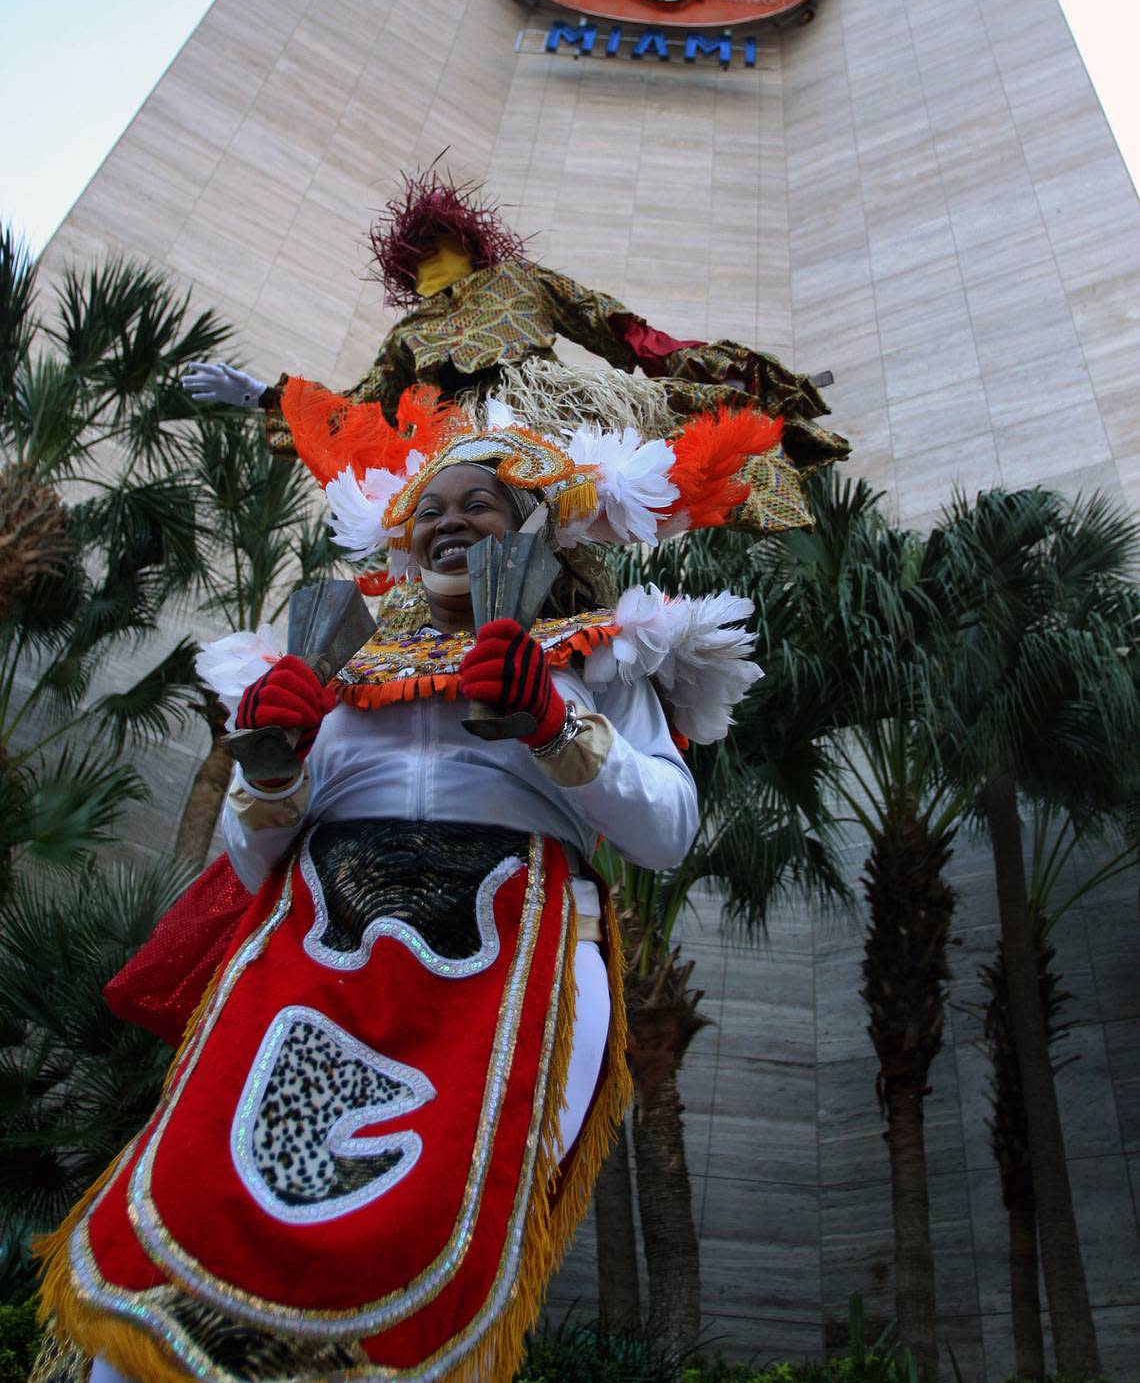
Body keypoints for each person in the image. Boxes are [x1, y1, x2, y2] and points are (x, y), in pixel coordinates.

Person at [38, 412, 761, 1383]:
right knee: (208, 1179)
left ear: (536, 529)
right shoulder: (332, 659)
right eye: (434, 509)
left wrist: (553, 723)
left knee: (441, 1205)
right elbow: (254, 865)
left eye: (482, 506)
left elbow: (667, 830)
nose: (451, 522)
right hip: (313, 945)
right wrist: (273, 762)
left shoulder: (601, 656)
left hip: (510, 954)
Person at [182, 165, 848, 536]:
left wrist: (740, 375)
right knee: (473, 524)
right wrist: (262, 396)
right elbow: (357, 416)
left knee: (666, 462)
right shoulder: (409, 337)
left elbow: (627, 335)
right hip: (458, 436)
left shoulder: (519, 281)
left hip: (553, 407)